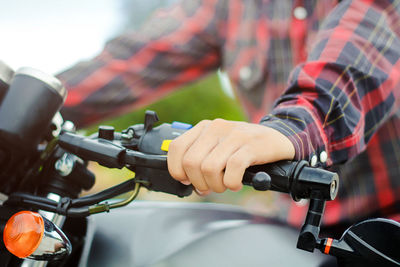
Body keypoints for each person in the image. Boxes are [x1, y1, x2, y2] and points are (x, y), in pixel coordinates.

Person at [58, 0, 400, 233]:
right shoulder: (231, 8)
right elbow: (133, 60)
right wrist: (31, 101)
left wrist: (290, 129)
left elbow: (362, 49)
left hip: (388, 223)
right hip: (294, 229)